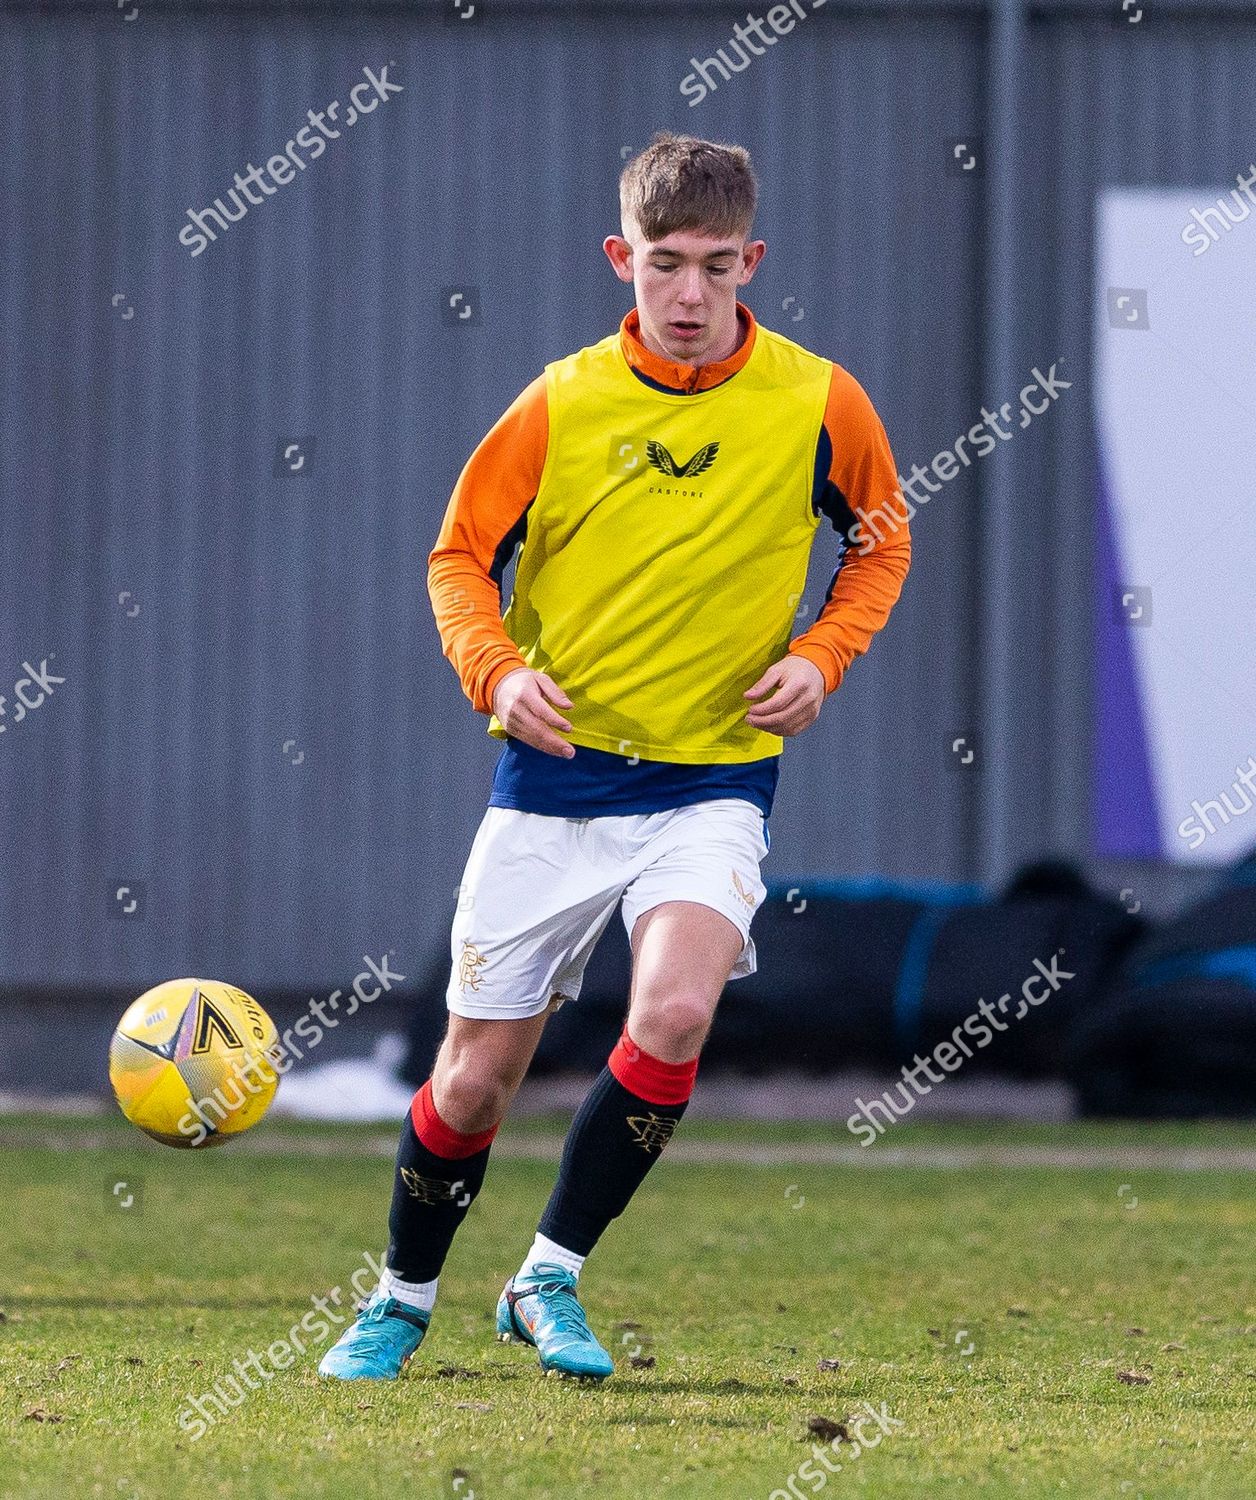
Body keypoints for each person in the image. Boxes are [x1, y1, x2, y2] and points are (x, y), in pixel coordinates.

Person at [320, 131, 911, 1382]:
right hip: (554, 786)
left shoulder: (819, 400)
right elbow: (455, 557)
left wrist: (825, 653)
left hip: (710, 781)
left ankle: (548, 1278)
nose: (687, 296)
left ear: (751, 261)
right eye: (661, 266)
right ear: (619, 259)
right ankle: (402, 1296)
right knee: (474, 1083)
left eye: (711, 267)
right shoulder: (558, 401)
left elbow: (880, 541)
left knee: (678, 1010)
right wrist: (497, 670)